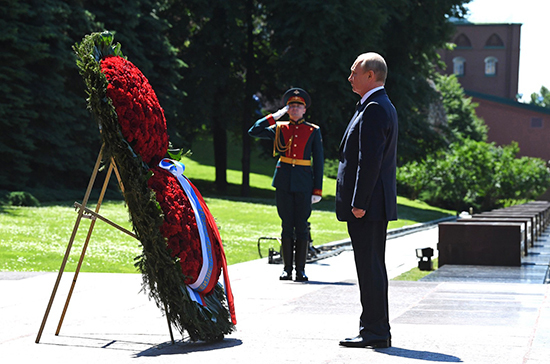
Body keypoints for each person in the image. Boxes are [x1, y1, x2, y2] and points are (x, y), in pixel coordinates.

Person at [335, 53, 398, 348]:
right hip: (372, 204)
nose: (349, 78)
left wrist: (359, 201)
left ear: (370, 75)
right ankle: (373, 328)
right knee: (371, 266)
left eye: (354, 72)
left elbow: (368, 160)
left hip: (368, 206)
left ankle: (375, 331)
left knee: (370, 267)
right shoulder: (376, 105)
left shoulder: (374, 107)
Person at [249, 88, 324, 282]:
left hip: (304, 183)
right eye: (291, 106)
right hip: (283, 182)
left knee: (301, 227)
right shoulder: (279, 128)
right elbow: (254, 130)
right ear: (287, 109)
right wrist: (274, 117)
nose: (295, 109)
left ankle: (300, 270)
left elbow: (319, 161)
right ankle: (286, 269)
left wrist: (317, 189)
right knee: (286, 226)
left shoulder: (313, 131)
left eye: (298, 106)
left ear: (304, 109)